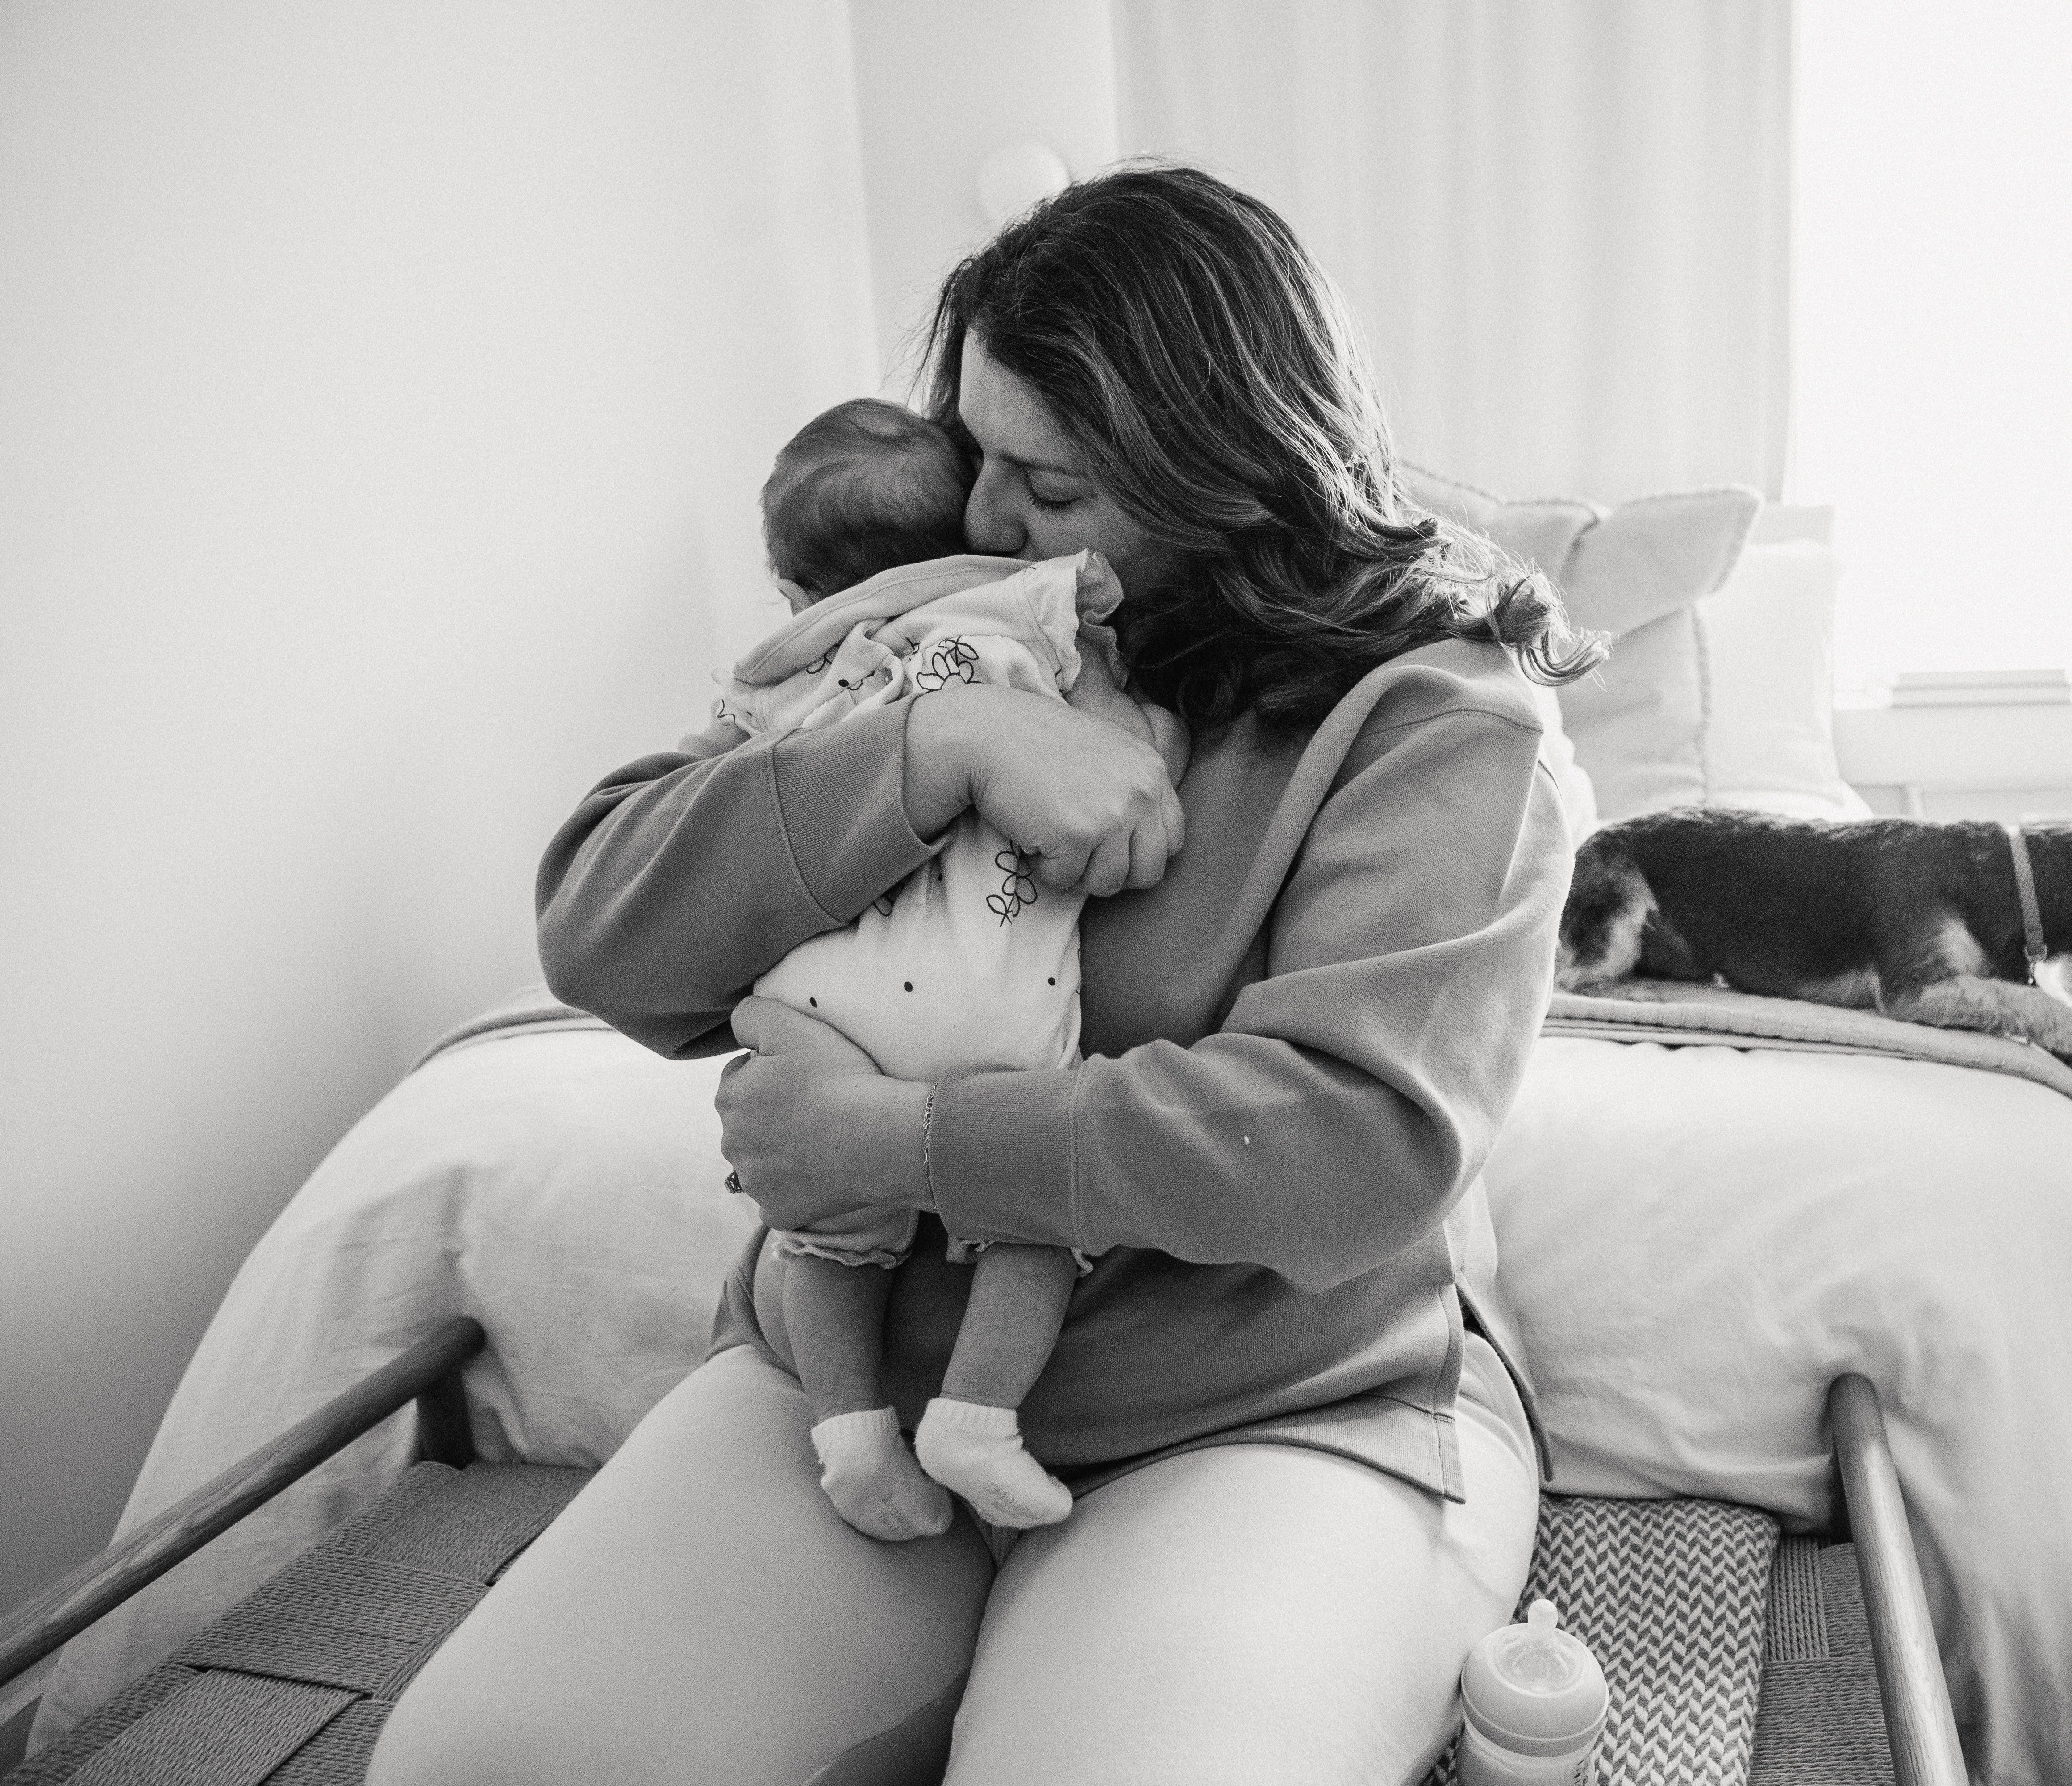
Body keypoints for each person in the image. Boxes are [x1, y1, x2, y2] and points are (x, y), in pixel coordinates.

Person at [369, 162, 1598, 1786]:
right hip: (860, 1381)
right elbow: (602, 932)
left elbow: (1354, 1149)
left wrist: (911, 1154)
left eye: (1053, 485)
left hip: (1275, 1405)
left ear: (1230, 474)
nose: (989, 518)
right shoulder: (938, 637)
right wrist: (932, 745)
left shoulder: (1441, 720)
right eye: (979, 459)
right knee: (478, 1769)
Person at [711, 397, 1192, 1542]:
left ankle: (849, 1433)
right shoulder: (1024, 609)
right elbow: (1133, 764)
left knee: (825, 1221)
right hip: (987, 986)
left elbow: (721, 809)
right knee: (1032, 1199)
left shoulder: (784, 663)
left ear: (790, 585)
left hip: (830, 990)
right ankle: (977, 1417)